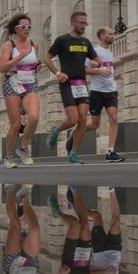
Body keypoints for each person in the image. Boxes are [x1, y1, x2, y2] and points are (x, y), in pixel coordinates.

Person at [43, 12, 101, 164]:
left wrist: (96, 63)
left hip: (81, 84)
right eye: (81, 22)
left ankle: (73, 153)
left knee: (83, 119)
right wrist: (57, 73)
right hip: (67, 83)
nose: (83, 25)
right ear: (73, 23)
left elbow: (96, 59)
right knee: (73, 119)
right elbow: (46, 58)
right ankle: (56, 130)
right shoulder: (62, 40)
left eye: (85, 23)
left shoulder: (85, 42)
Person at [78, 26, 126, 162]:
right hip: (96, 91)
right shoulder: (93, 51)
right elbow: (85, 70)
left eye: (113, 34)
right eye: (110, 34)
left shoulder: (110, 52)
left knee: (114, 119)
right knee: (94, 125)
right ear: (102, 35)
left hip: (111, 90)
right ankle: (75, 134)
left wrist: (115, 77)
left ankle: (111, 152)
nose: (113, 36)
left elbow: (107, 70)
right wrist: (99, 71)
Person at [0, 14, 40, 169]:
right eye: (23, 27)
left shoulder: (34, 45)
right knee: (15, 125)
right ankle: (9, 157)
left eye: (29, 27)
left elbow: (34, 64)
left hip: (30, 83)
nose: (26, 30)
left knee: (34, 117)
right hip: (13, 83)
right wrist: (19, 57)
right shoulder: (9, 45)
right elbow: (2, 68)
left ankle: (23, 147)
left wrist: (36, 66)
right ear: (16, 29)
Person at [88, 188, 123, 274]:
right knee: (116, 223)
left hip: (100, 252)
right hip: (115, 253)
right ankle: (112, 189)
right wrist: (120, 265)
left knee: (97, 216)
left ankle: (75, 205)